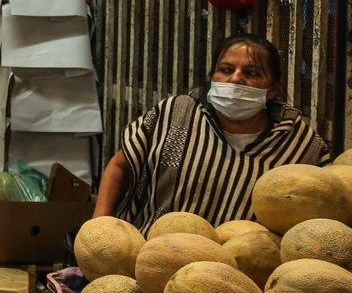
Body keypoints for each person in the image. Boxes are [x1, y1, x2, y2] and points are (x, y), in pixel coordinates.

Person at [94, 34, 330, 232]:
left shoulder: (301, 147)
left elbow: (322, 208)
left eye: (252, 73)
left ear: (273, 89)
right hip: (153, 255)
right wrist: (98, 227)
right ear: (212, 77)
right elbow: (120, 165)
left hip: (242, 268)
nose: (235, 78)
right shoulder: (176, 113)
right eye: (226, 70)